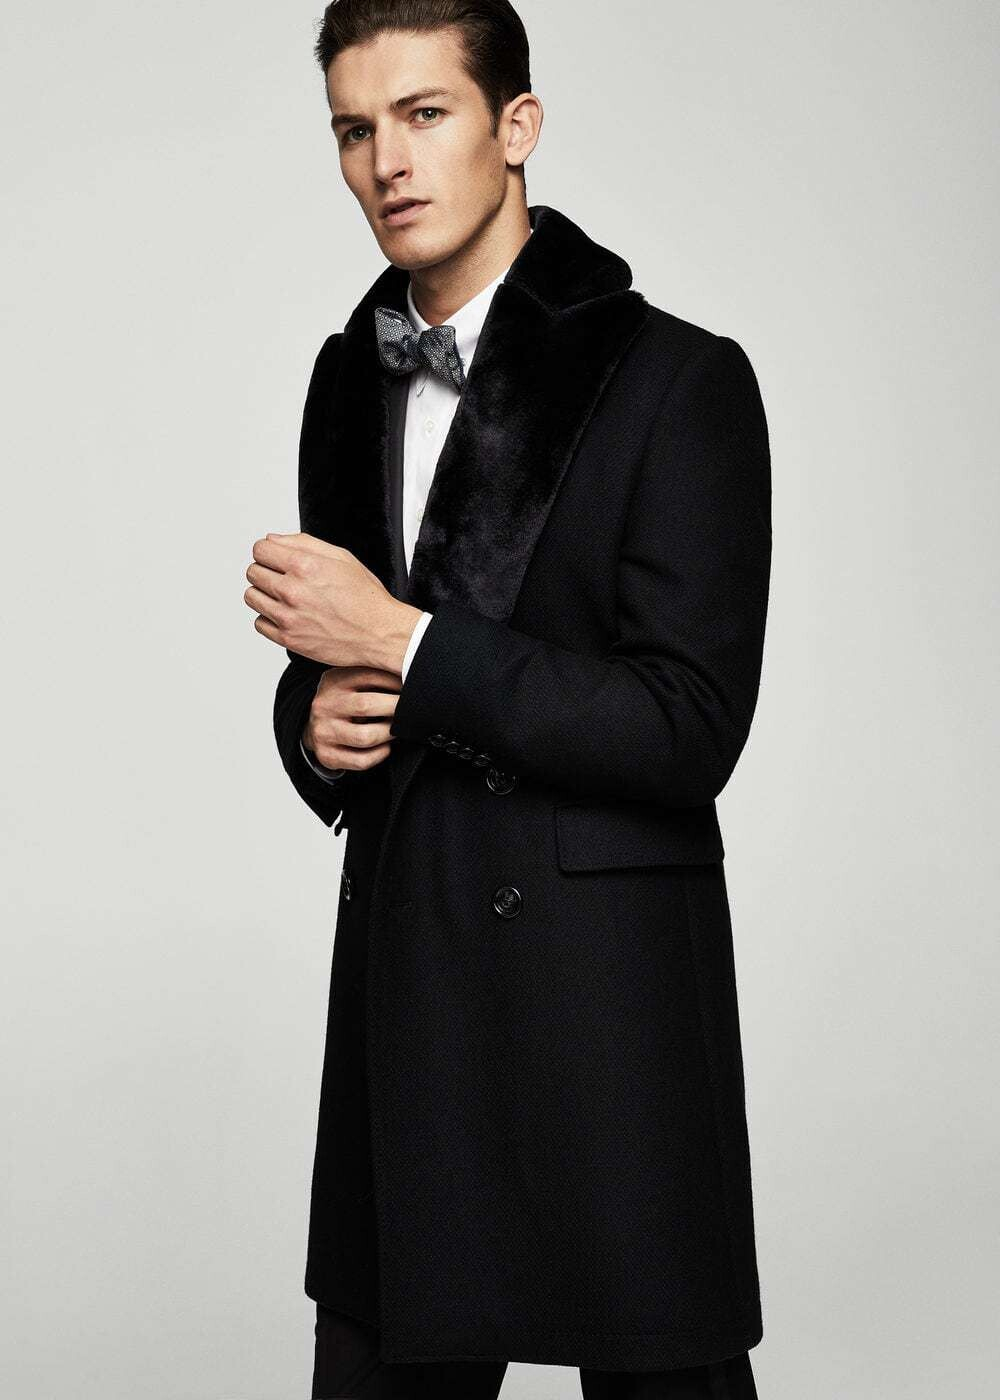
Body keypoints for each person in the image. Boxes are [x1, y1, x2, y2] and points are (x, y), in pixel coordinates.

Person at [245, 2, 772, 1395]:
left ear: (515, 125)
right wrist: (313, 725)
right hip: (408, 993)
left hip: (605, 1017)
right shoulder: (346, 374)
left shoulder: (681, 381)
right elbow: (344, 662)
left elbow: (688, 725)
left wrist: (409, 648)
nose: (386, 163)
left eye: (425, 114)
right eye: (355, 129)